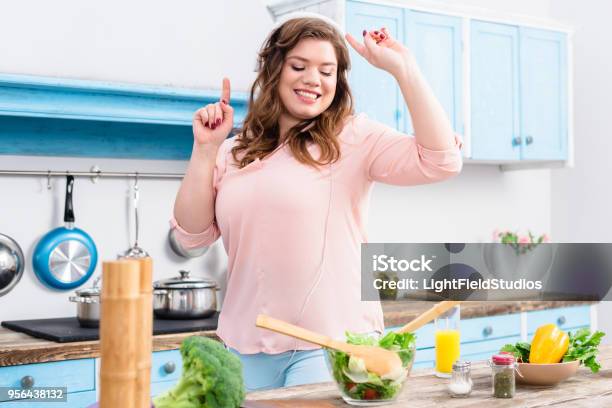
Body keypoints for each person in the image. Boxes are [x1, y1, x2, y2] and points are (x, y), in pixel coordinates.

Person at [171, 15, 462, 391]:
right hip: (242, 348)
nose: (314, 79)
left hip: (331, 349)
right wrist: (205, 150)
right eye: (299, 66)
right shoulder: (233, 152)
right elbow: (191, 236)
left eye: (328, 71)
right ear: (274, 70)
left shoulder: (353, 137)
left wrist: (404, 69)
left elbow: (441, 160)